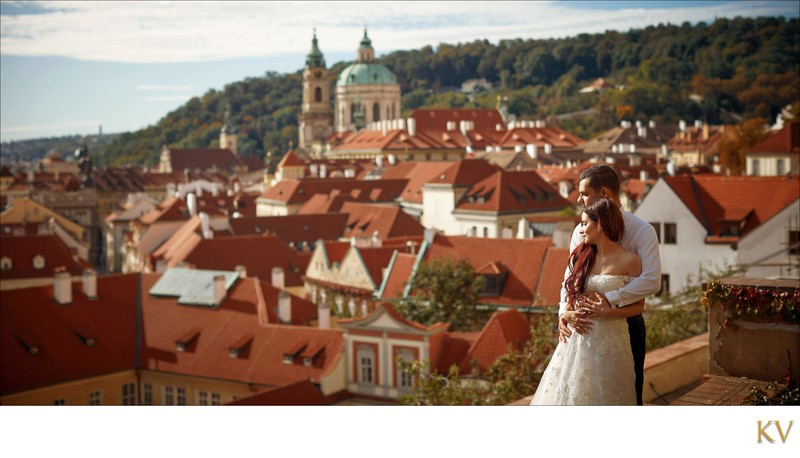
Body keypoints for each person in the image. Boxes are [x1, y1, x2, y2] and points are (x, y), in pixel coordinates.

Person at [558, 164, 661, 405]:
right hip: (582, 327)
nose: (578, 198)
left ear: (603, 193)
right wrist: (564, 312)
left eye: (583, 193)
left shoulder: (642, 231)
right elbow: (569, 278)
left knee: (628, 392)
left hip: (626, 326)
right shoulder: (580, 230)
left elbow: (651, 279)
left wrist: (610, 300)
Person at [530, 198, 644, 404]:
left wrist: (608, 312)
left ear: (601, 224)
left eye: (584, 223)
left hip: (611, 342)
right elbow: (569, 294)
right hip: (577, 341)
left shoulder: (631, 260)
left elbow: (638, 307)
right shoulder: (580, 257)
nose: (580, 229)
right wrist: (567, 314)